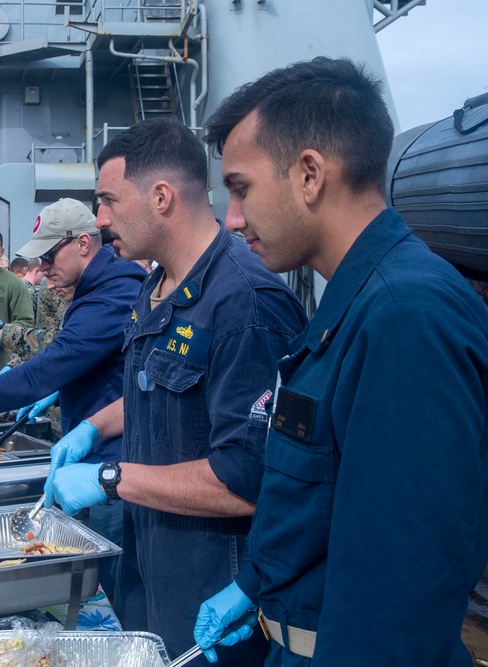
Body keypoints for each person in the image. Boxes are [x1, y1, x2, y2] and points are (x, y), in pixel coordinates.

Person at [192, 57, 488, 666]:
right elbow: (325, 497)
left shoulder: (406, 319)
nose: (232, 219)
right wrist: (254, 586)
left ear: (308, 175)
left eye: (242, 187)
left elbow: (398, 603)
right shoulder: (355, 306)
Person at [44, 118, 307, 665]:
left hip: (211, 582)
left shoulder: (245, 305)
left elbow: (247, 479)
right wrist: (96, 426)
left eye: (109, 200)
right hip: (151, 559)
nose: (101, 219)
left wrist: (111, 477)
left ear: (161, 197)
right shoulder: (156, 285)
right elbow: (154, 388)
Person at [0, 199, 146, 594]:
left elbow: (43, 370)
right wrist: (58, 392)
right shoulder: (92, 288)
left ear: (84, 243)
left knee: (112, 584)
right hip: (90, 446)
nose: (44, 268)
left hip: (114, 459)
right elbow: (95, 365)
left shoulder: (113, 293)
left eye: (50, 256)